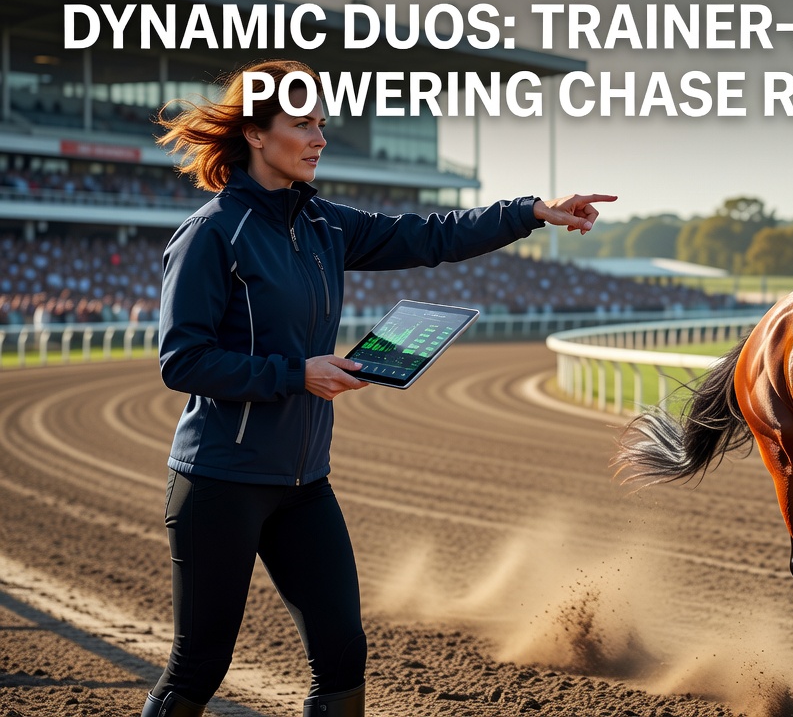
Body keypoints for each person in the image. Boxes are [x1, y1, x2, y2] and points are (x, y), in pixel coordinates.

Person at [142, 59, 614, 717]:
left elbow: (430, 236)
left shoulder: (323, 224)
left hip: (305, 486)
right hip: (220, 481)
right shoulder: (212, 233)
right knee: (199, 667)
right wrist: (295, 374)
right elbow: (182, 361)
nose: (318, 138)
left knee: (341, 658)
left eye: (322, 125)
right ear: (254, 134)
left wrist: (533, 211)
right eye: (301, 124)